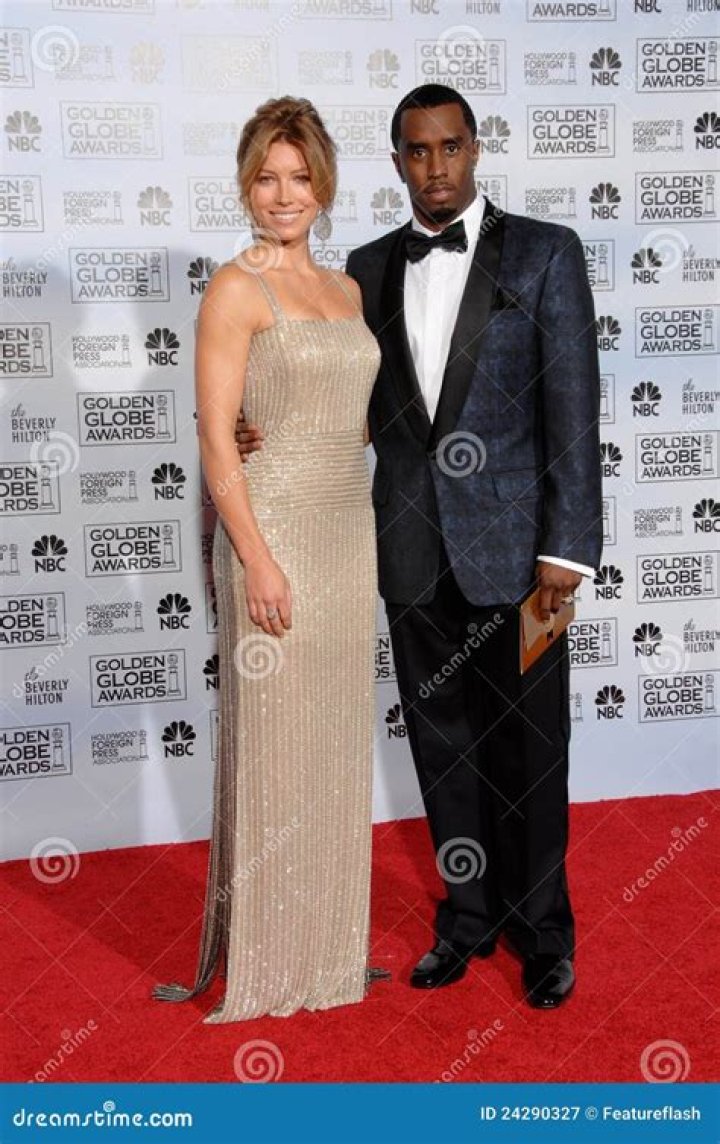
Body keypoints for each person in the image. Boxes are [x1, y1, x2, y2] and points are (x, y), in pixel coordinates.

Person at [238, 84, 602, 1009]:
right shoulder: (364, 270)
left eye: (449, 147)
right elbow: (343, 398)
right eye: (416, 150)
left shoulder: (546, 252)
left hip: (524, 561)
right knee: (442, 748)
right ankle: (468, 918)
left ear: (475, 149)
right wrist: (260, 428)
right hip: (405, 546)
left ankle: (544, 933)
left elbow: (573, 408)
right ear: (396, 160)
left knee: (534, 749)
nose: (434, 166)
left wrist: (568, 549)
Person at [153, 96, 382, 1022]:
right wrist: (256, 559)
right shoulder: (235, 288)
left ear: (324, 183)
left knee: (333, 745)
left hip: (348, 531)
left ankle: (329, 945)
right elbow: (217, 439)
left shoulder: (349, 291)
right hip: (272, 534)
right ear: (245, 187)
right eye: (265, 178)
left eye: (299, 177)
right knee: (277, 747)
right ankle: (273, 955)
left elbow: (355, 420)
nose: (284, 196)